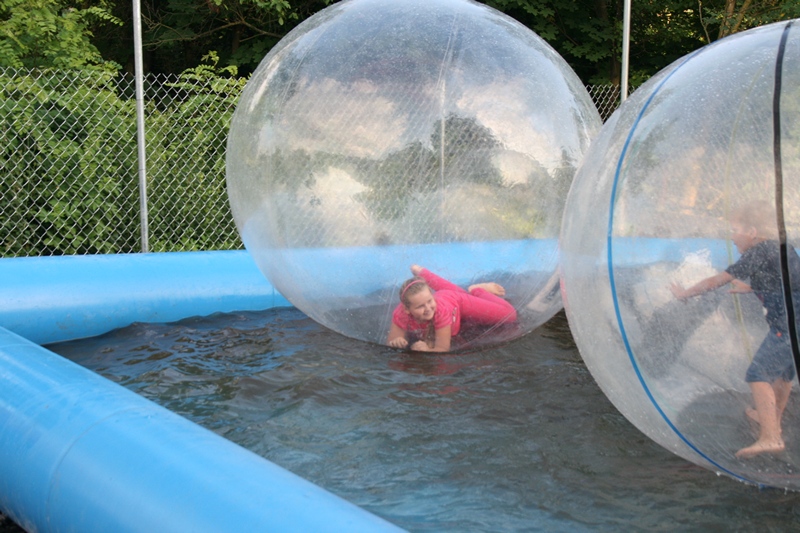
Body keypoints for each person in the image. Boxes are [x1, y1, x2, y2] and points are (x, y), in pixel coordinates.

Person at [670, 200, 799, 458]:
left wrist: (685, 293)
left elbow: (717, 280)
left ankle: (771, 438)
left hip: (787, 327)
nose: (731, 236)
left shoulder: (757, 252)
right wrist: (751, 288)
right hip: (794, 325)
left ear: (752, 231)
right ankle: (771, 418)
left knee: (759, 374)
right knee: (783, 375)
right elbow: (789, 284)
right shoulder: (782, 249)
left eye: (735, 229)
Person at [387, 265, 517, 352]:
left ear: (432, 295)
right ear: (407, 309)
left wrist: (426, 350)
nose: (428, 308)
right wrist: (397, 342)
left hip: (456, 302)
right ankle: (422, 273)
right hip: (447, 298)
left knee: (510, 315)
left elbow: (442, 349)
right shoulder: (401, 314)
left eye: (429, 301)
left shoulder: (440, 311)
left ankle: (477, 290)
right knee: (453, 293)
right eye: (420, 306)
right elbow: (391, 343)